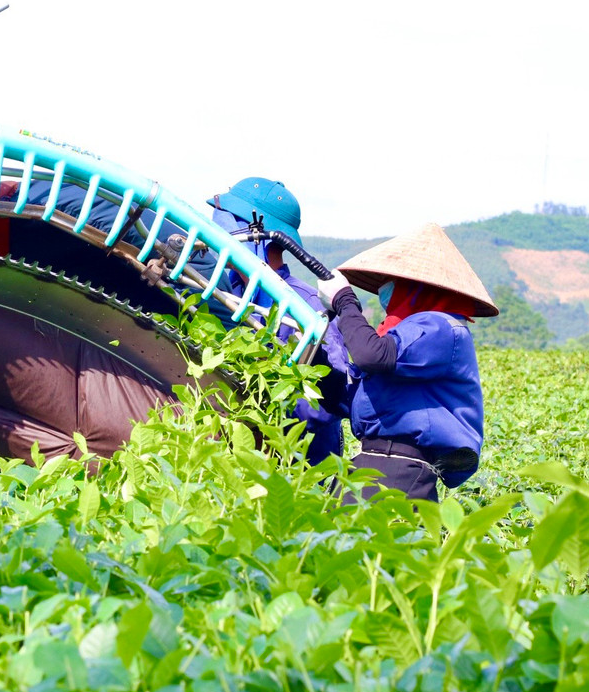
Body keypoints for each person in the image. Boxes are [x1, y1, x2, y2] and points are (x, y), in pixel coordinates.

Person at [316, 223, 499, 501]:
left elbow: (371, 355)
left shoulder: (441, 328)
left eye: (395, 282)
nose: (386, 290)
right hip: (368, 465)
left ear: (417, 287)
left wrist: (346, 303)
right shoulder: (402, 339)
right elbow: (347, 400)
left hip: (401, 471)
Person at [206, 178, 350, 465]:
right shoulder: (227, 291)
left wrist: (271, 402)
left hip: (300, 465)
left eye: (227, 220)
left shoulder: (304, 306)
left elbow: (337, 395)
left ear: (255, 232)